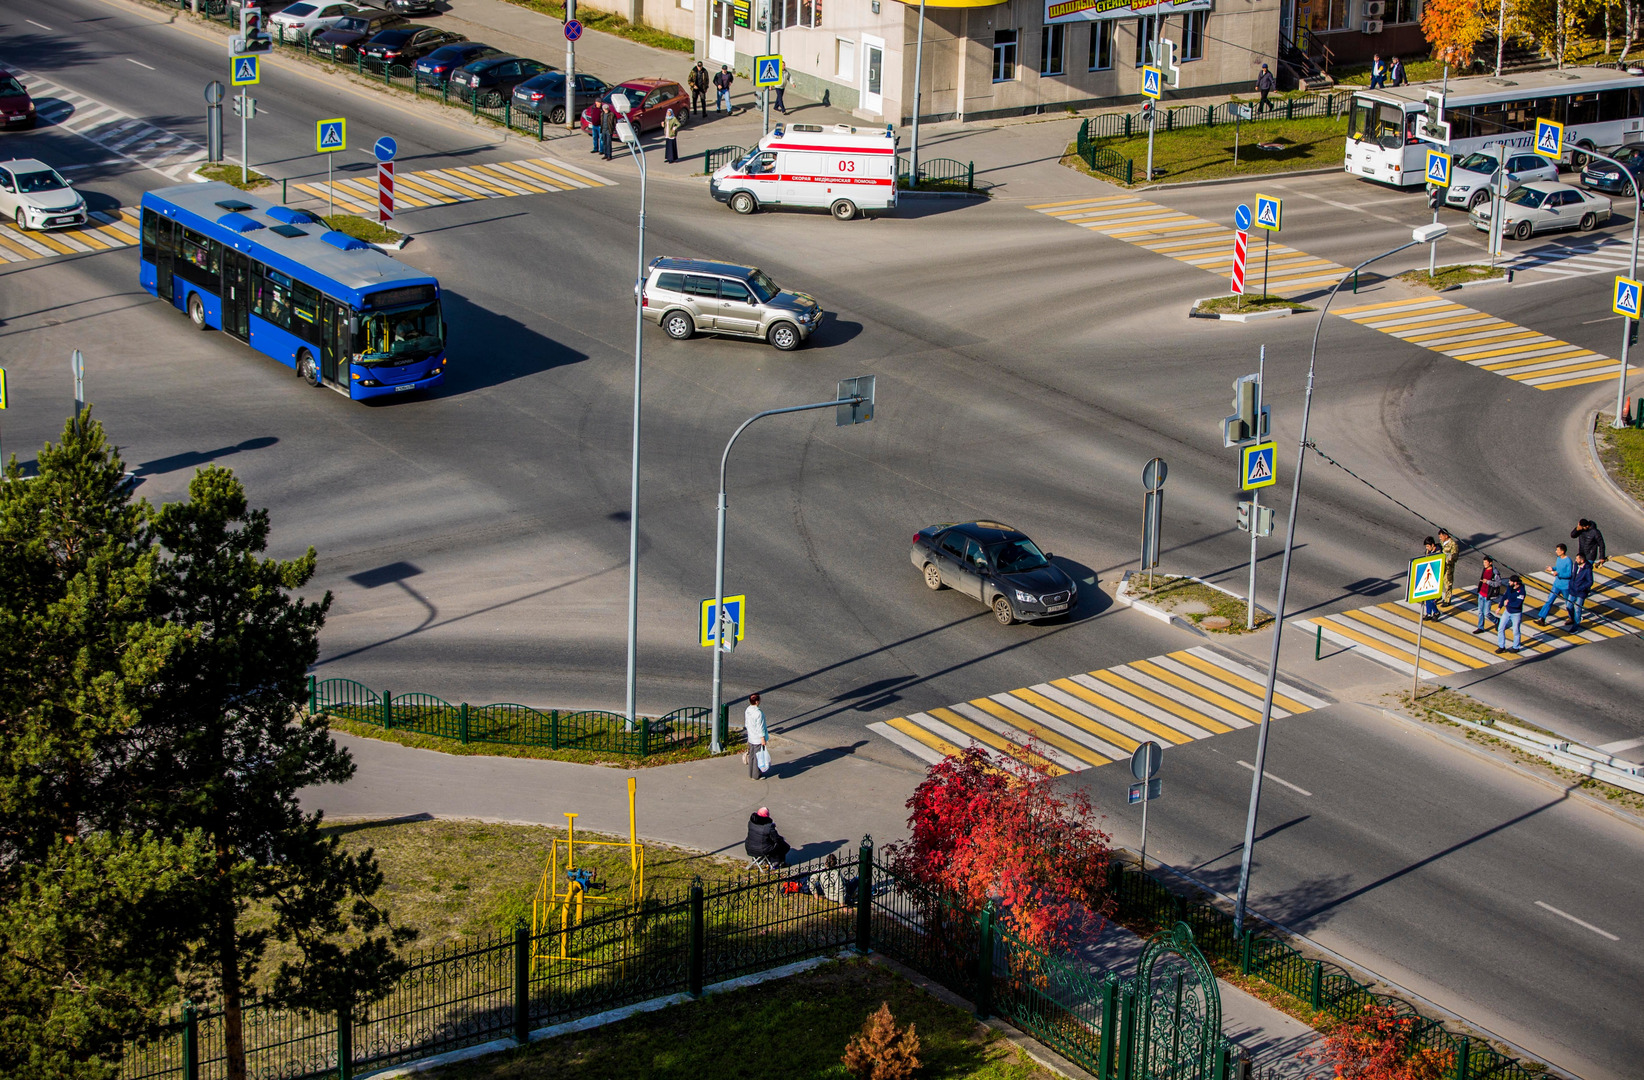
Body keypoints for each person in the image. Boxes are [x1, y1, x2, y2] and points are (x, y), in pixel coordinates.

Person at [1536, 543, 1574, 624]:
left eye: (1558, 550)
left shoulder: (1568, 561)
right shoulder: (1559, 558)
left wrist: (1558, 574)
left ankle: (1572, 617)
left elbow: (1569, 574)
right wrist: (1552, 568)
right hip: (1556, 584)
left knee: (1568, 603)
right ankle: (1542, 618)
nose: (1556, 551)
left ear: (1562, 551)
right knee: (1549, 601)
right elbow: (1558, 568)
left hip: (1565, 586)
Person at [1494, 575, 1525, 653]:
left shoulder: (1521, 591)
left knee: (1516, 630)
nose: (1509, 582)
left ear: (1515, 583)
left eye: (1510, 581)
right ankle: (1501, 646)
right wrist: (1499, 607)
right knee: (1500, 628)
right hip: (1507, 611)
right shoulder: (1509, 587)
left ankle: (1516, 647)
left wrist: (1507, 604)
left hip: (1516, 614)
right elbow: (1505, 596)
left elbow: (1518, 604)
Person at [744, 692, 768, 779]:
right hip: (757, 738)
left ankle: (751, 773)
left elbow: (747, 723)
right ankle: (756, 775)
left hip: (751, 737)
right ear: (757, 702)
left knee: (752, 756)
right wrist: (763, 739)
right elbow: (760, 727)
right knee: (759, 757)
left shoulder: (748, 710)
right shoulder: (759, 713)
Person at [1568, 553, 1593, 631]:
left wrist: (1581, 587)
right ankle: (1573, 618)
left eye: (1577, 559)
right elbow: (1573, 574)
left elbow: (1590, 582)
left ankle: (1576, 626)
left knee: (1578, 609)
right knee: (1569, 606)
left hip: (1580, 592)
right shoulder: (1576, 564)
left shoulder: (1587, 569)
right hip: (1573, 590)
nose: (1575, 560)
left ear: (1582, 560)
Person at [1472, 555, 1497, 634]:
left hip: (1488, 595)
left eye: (1486, 562)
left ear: (1490, 563)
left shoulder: (1494, 572)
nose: (1484, 564)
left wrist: (1488, 582)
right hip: (1481, 593)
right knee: (1480, 612)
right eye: (1484, 562)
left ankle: (1496, 621)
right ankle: (1480, 627)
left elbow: (1498, 583)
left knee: (1487, 613)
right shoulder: (1484, 569)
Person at [1420, 536, 1441, 620]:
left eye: (1428, 546)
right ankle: (1428, 613)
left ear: (1432, 545)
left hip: (1435, 577)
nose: (1426, 548)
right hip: (1428, 575)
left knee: (1431, 597)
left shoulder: (1438, 553)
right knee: (1427, 596)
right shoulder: (1428, 552)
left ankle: (1436, 612)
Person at [1438, 528, 1459, 606]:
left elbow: (1455, 557)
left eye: (1441, 536)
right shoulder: (1442, 542)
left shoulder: (1453, 544)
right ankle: (1438, 596)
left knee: (1448, 583)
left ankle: (1447, 599)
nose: (1440, 538)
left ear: (1446, 536)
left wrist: (1447, 559)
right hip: (1441, 565)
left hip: (1448, 567)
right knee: (1439, 582)